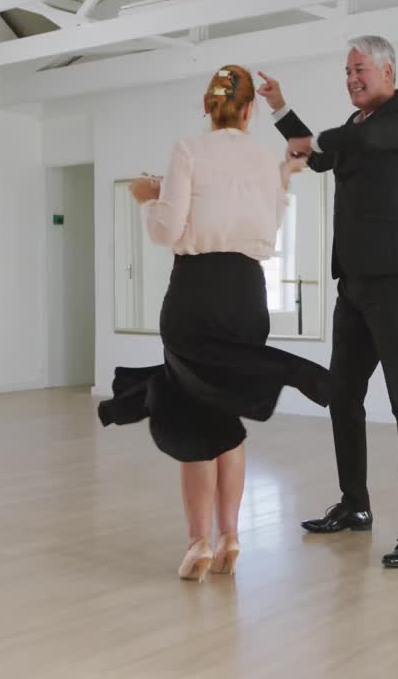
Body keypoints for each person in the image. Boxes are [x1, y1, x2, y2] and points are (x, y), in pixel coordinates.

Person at [97, 65, 333, 582]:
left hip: (195, 295)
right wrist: (285, 175)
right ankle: (231, 534)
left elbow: (166, 230)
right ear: (249, 109)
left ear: (208, 106)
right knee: (227, 417)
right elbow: (268, 228)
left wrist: (146, 197)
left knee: (191, 416)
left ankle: (198, 543)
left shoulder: (189, 148)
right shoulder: (261, 158)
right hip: (247, 297)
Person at [257, 36, 398, 569]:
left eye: (359, 69)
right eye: (347, 72)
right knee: (342, 394)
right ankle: (355, 506)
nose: (352, 78)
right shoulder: (355, 130)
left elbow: (342, 146)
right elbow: (316, 158)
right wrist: (280, 109)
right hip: (354, 282)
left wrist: (317, 142)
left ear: (387, 70)